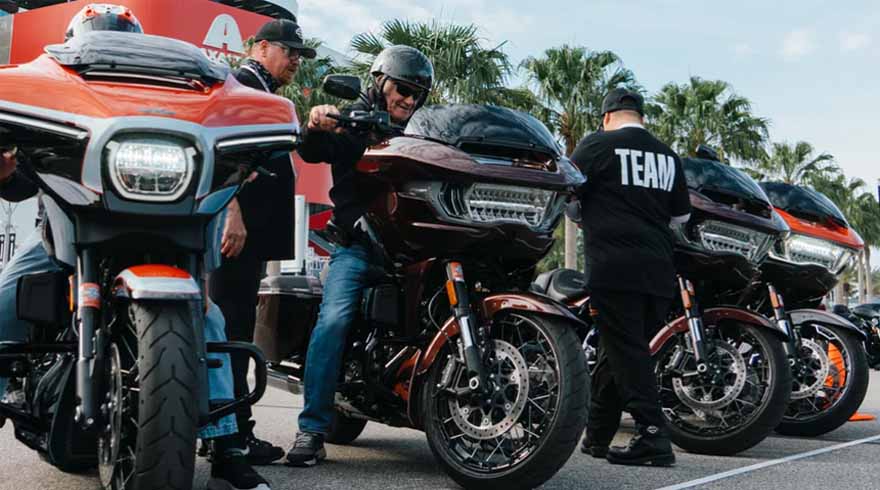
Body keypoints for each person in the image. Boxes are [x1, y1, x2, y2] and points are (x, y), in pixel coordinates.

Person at [0, 5, 269, 490]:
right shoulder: (58, 101)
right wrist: (7, 161)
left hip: (162, 236)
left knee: (209, 319)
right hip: (65, 237)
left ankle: (228, 447)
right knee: (3, 301)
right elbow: (17, 180)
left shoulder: (165, 97)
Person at [284, 44, 434, 467]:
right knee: (332, 321)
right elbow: (313, 150)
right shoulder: (353, 122)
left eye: (418, 94)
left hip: (414, 252)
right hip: (358, 247)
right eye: (403, 89)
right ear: (380, 82)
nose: (409, 99)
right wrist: (317, 123)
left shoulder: (421, 133)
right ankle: (311, 429)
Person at [207, 17, 314, 466]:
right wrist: (231, 211)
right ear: (260, 46)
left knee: (233, 327)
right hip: (238, 235)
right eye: (288, 51)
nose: (294, 61)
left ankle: (224, 431)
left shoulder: (262, 89)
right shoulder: (241, 84)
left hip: (250, 237)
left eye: (298, 55)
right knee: (230, 330)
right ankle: (232, 437)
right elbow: (221, 149)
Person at [571, 88, 691, 466]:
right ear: (640, 116)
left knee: (627, 353)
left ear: (607, 117)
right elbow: (681, 219)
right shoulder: (668, 157)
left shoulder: (596, 147)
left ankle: (653, 436)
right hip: (658, 270)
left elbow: (569, 199)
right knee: (619, 351)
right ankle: (597, 436)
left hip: (613, 265)